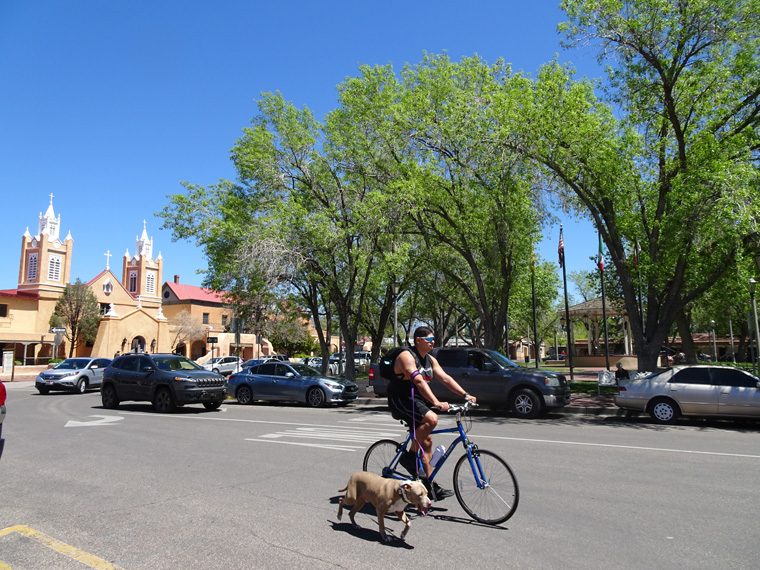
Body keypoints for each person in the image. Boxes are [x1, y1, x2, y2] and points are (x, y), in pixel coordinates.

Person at [386, 326, 476, 500]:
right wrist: (435, 403)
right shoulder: (406, 357)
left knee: (427, 440)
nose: (433, 342)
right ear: (418, 340)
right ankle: (409, 458)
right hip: (400, 399)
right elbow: (418, 381)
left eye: (433, 339)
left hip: (416, 400)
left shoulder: (430, 360)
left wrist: (465, 395)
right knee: (431, 419)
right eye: (429, 339)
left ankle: (428, 484)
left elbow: (445, 378)